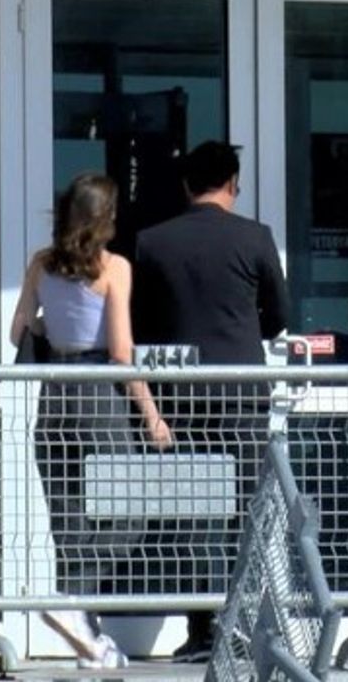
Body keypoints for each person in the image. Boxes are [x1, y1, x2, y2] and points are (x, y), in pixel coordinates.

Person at [131, 141, 290, 663]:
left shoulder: (152, 242)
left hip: (181, 397)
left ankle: (200, 629)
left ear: (186, 185)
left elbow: (142, 323)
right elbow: (279, 316)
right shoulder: (255, 237)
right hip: (242, 393)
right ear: (233, 184)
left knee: (192, 514)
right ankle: (238, 626)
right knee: (247, 514)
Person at [10, 172, 172, 669]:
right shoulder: (114, 268)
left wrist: (52, 323)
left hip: (55, 394)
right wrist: (151, 415)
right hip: (99, 396)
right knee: (127, 514)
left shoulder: (40, 264)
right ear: (105, 219)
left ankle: (88, 638)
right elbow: (122, 352)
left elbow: (19, 330)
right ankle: (73, 604)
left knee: (69, 523)